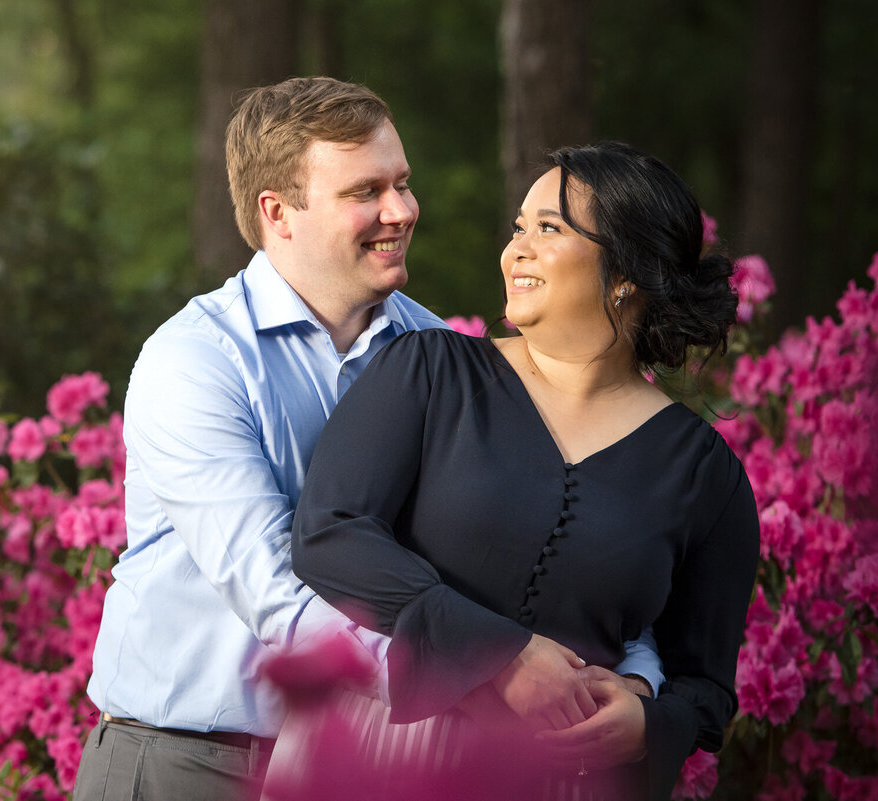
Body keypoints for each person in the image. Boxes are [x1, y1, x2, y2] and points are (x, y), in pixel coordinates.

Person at [72, 79, 663, 801]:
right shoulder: (196, 362)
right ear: (277, 212)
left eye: (403, 183)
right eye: (366, 191)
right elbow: (278, 593)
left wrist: (635, 682)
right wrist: (489, 666)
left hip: (374, 765)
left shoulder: (447, 354)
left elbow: (556, 543)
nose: (403, 211)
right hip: (190, 763)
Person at [290, 141, 761, 801]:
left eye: (549, 229)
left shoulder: (707, 475)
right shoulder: (429, 372)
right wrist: (498, 651)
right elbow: (329, 533)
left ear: (627, 272)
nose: (517, 249)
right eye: (519, 228)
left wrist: (646, 722)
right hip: (390, 757)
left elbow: (706, 688)